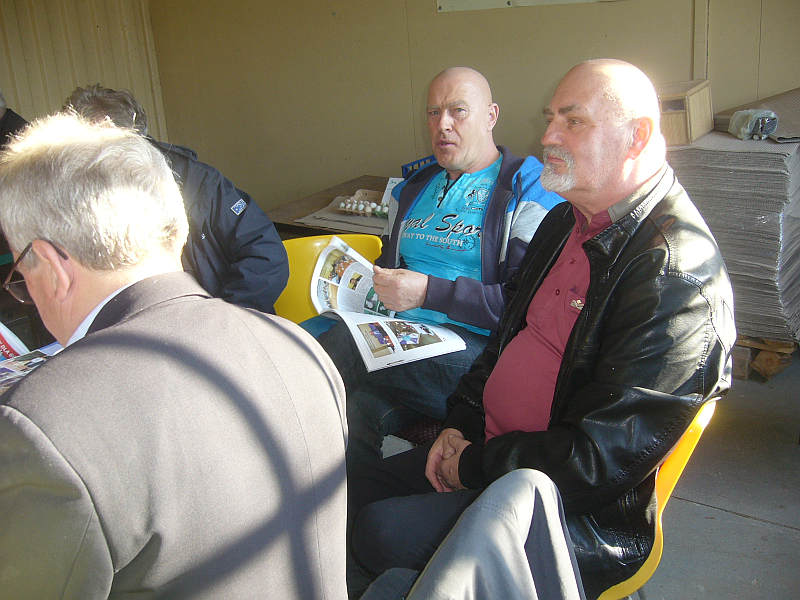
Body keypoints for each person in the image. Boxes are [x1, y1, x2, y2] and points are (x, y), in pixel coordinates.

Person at [348, 59, 736, 599]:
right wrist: (459, 425)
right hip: (497, 451)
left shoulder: (676, 280)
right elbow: (503, 342)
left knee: (377, 533)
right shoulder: (564, 222)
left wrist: (472, 465)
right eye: (551, 118)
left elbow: (597, 463)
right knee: (347, 494)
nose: (548, 136)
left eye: (572, 121)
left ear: (637, 137)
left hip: (567, 509)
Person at [0, 113, 348, 599]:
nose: (27, 293)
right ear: (178, 229)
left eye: (20, 274)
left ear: (54, 267)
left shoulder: (39, 425)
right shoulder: (298, 344)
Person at [319, 66, 562, 466]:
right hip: (400, 341)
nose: (442, 124)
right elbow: (388, 267)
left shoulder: (529, 188)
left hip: (481, 355)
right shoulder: (413, 188)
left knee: (343, 346)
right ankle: (352, 504)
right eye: (433, 113)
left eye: (457, 111)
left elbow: (525, 307)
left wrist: (430, 293)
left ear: (491, 116)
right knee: (351, 408)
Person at [63, 84, 289, 313]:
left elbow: (267, 255)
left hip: (216, 315)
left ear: (137, 140)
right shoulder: (69, 199)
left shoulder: (198, 181)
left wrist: (224, 315)